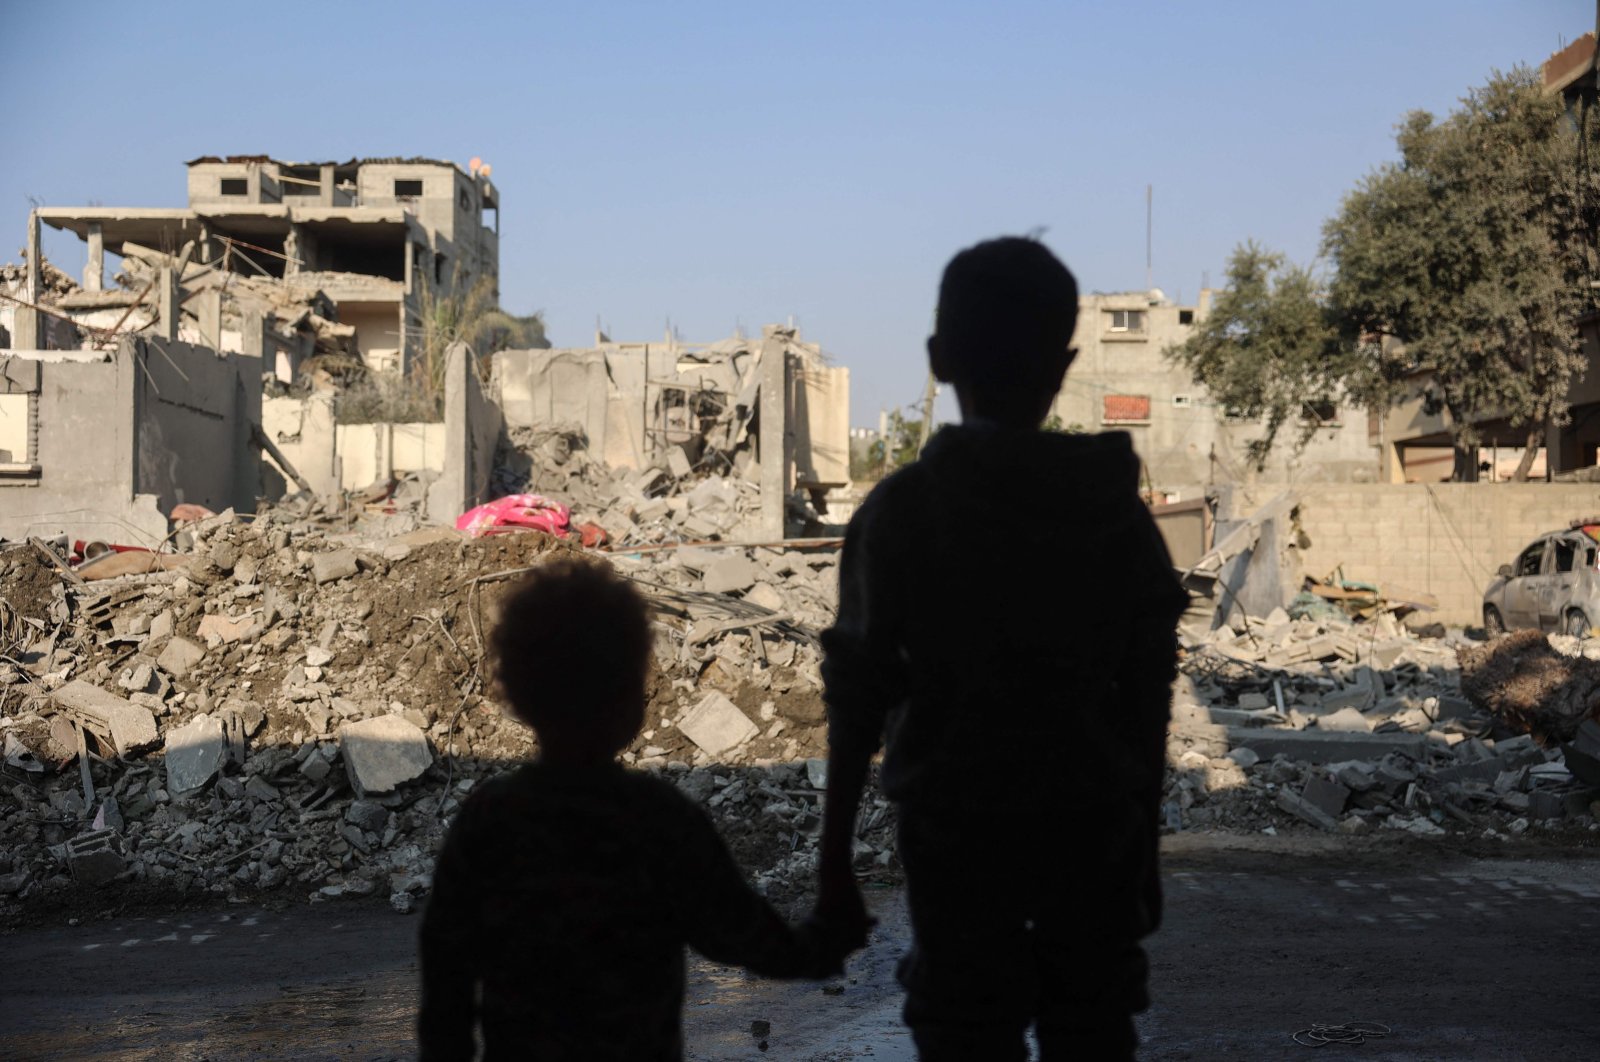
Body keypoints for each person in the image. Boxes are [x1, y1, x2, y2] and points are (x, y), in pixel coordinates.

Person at [813, 236, 1188, 1060]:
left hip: (958, 838)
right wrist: (1145, 844)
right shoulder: (1115, 516)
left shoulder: (904, 512)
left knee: (963, 1027)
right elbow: (1149, 688)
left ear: (939, 359)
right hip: (1092, 832)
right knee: (1091, 1025)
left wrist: (834, 860)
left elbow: (857, 696)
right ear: (1065, 364)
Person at [419, 557, 856, 1061]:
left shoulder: (490, 819)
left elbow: (444, 973)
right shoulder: (660, 820)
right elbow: (743, 937)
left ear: (517, 693)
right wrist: (825, 942)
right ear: (630, 699)